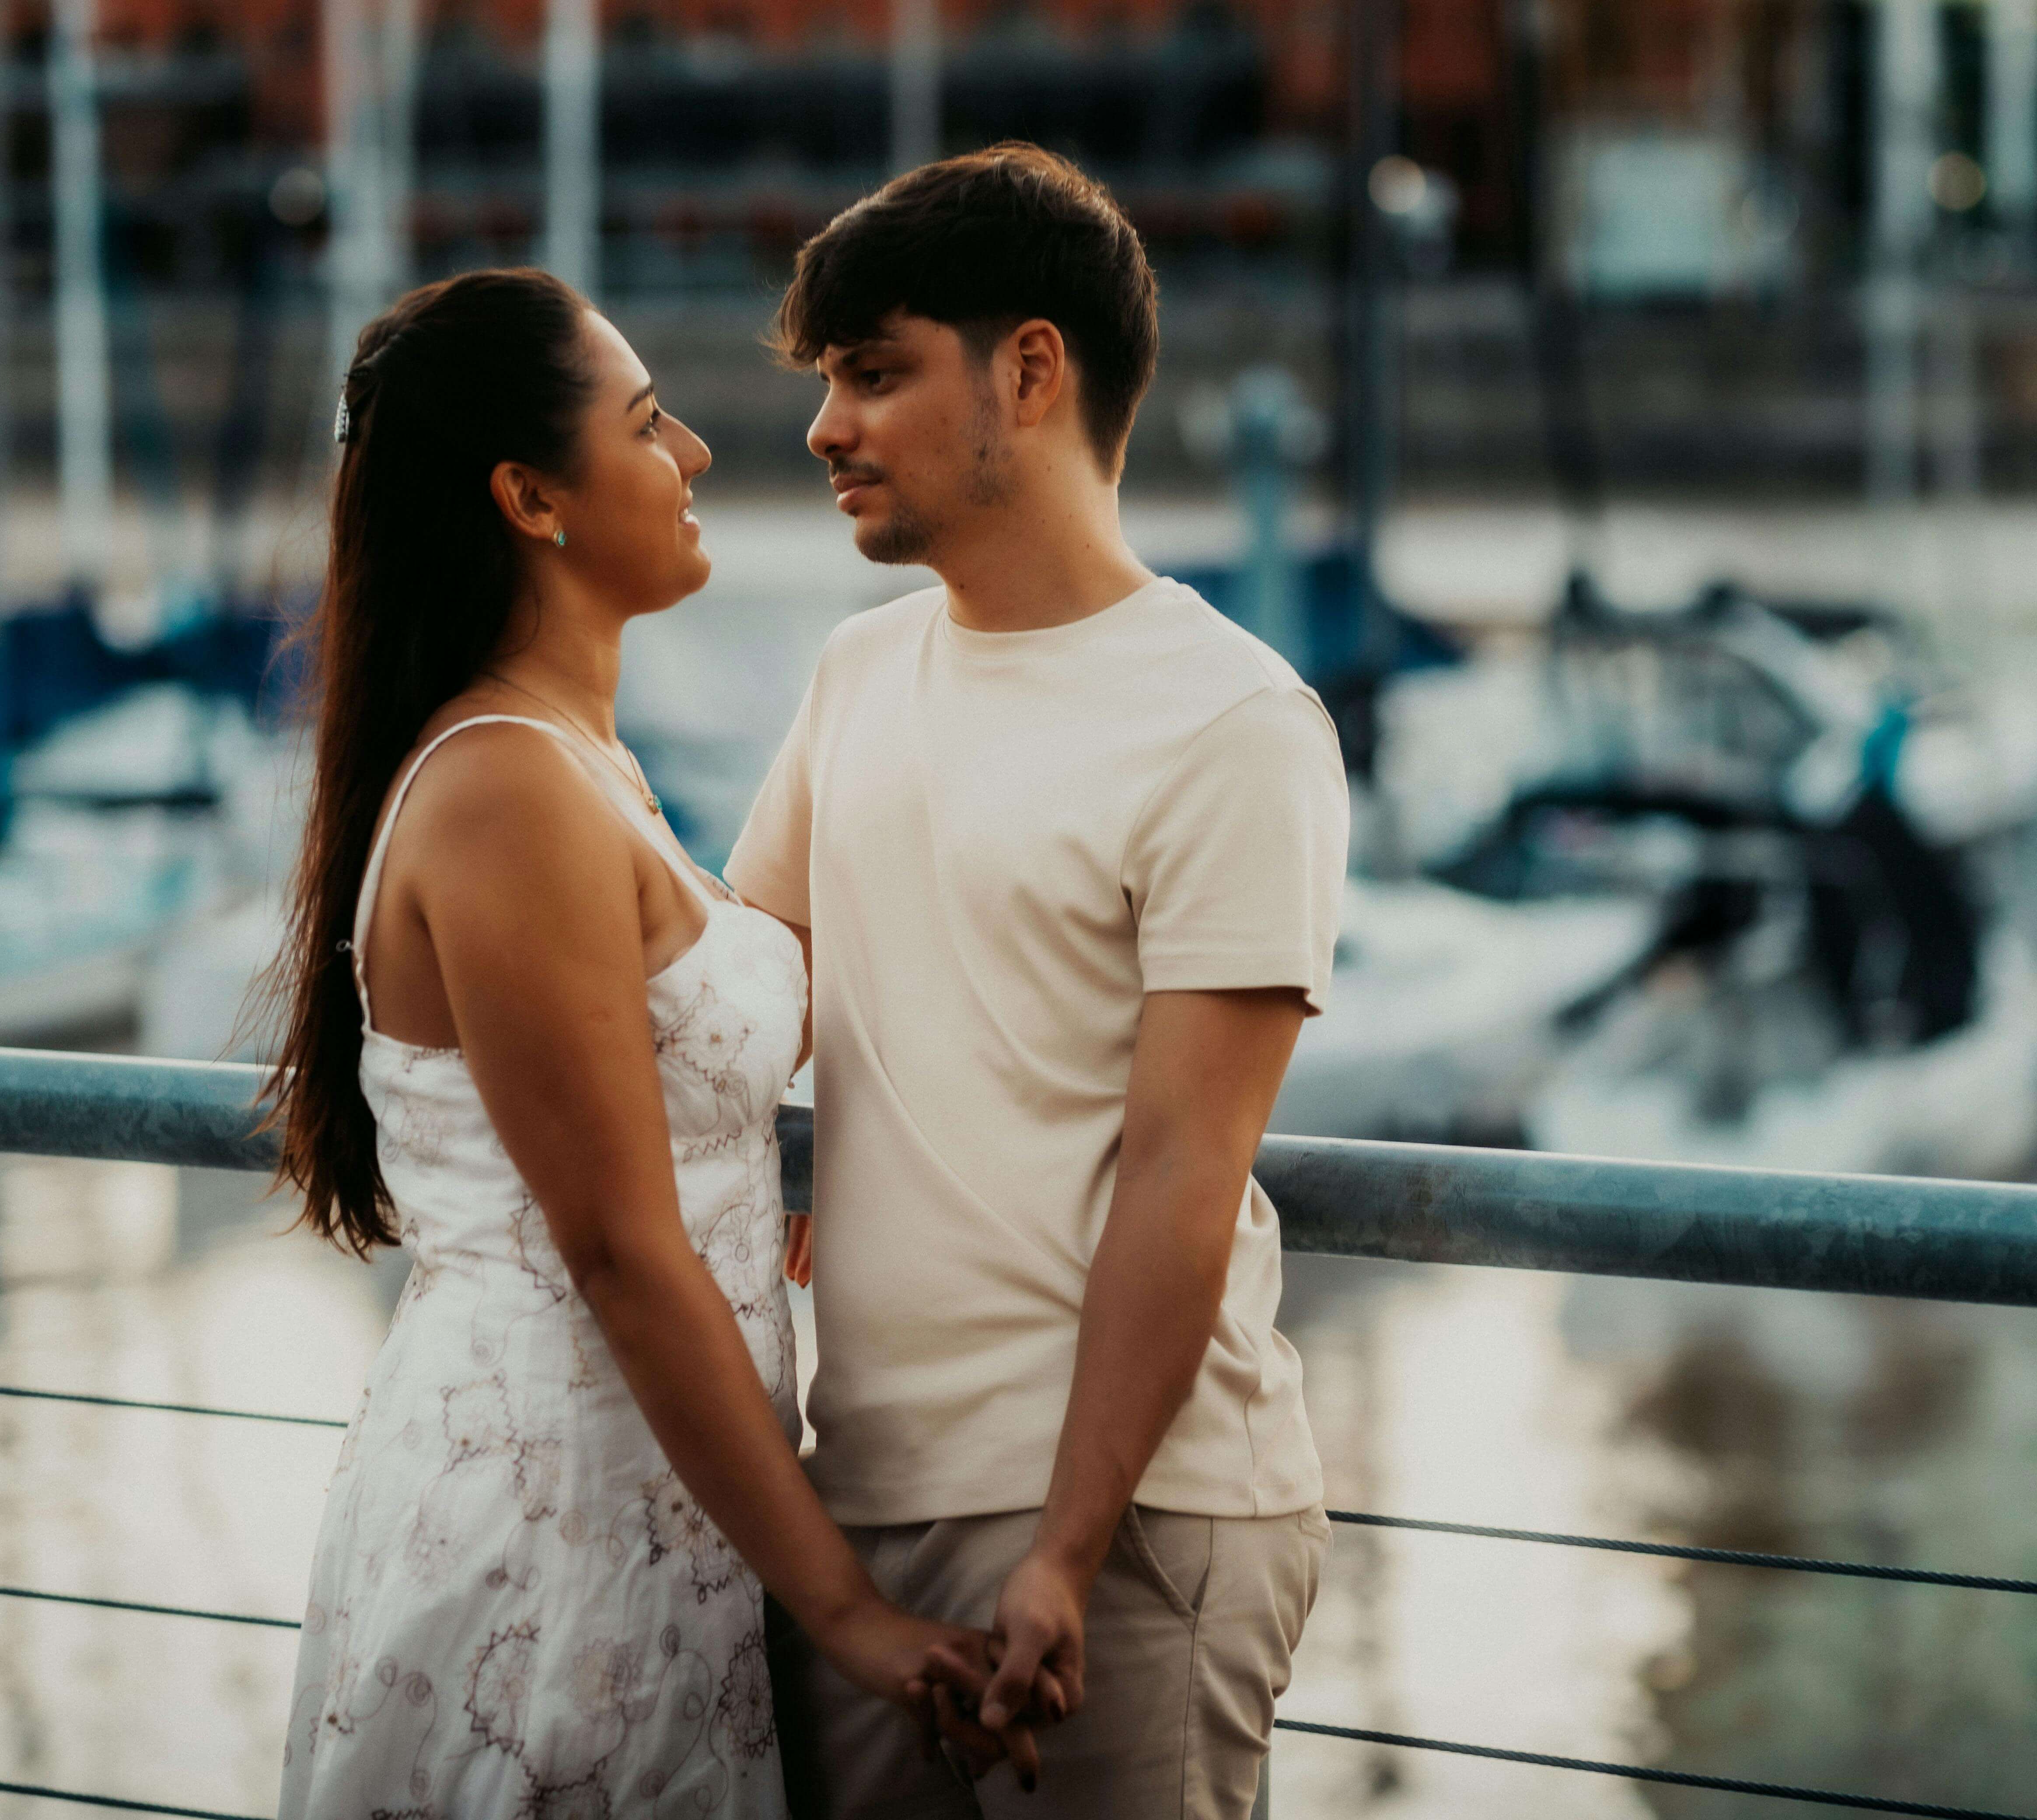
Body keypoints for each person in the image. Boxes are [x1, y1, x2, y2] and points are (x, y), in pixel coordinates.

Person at [266, 267, 1022, 1818]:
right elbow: (620, 1247)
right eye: (647, 421)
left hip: (657, 1494)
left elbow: (711, 1049)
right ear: (532, 498)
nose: (694, 456)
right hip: (557, 1512)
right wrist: (852, 1615)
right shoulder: (506, 791)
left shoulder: (578, 762)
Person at [727, 144, 1346, 1818]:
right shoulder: (857, 674)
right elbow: (738, 989)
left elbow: (1183, 1172)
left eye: (873, 373)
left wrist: (1067, 1553)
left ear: (1030, 369)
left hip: (1128, 1518)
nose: (825, 427)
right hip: (855, 1498)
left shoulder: (1231, 724)